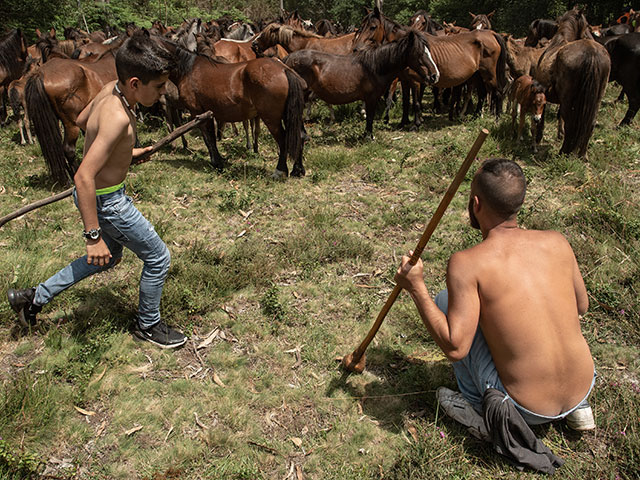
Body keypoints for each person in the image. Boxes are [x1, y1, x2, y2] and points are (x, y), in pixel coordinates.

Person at [7, 31, 187, 349]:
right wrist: (93, 237)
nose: (162, 93)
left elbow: (82, 119)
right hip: (107, 201)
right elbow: (83, 178)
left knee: (108, 258)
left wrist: (125, 153)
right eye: (158, 86)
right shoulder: (119, 117)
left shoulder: (109, 90)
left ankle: (33, 298)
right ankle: (149, 325)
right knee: (158, 258)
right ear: (135, 83)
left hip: (99, 197)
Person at [394, 158, 596, 431]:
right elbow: (581, 306)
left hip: (527, 409)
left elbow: (456, 348)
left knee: (444, 301)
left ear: (476, 205)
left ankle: (480, 411)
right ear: (519, 202)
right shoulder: (557, 241)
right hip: (583, 387)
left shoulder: (466, 263)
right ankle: (579, 408)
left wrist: (416, 287)